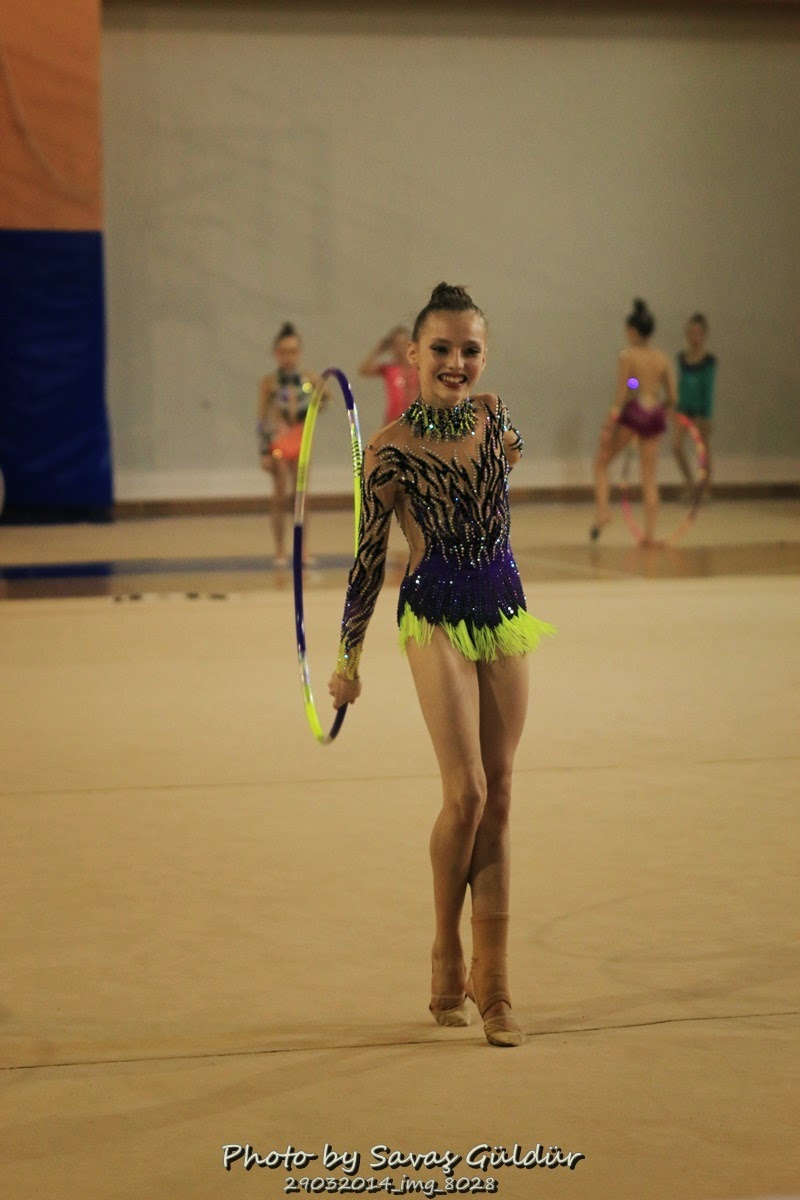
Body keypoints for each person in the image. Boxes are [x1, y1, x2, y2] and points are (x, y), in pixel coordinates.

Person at [328, 283, 554, 1048]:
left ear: (484, 356)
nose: (456, 362)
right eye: (442, 349)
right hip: (434, 613)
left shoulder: (495, 418)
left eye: (470, 350)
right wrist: (347, 660)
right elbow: (367, 562)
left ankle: (495, 982)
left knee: (502, 794)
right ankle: (445, 948)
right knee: (467, 794)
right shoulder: (389, 450)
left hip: (504, 607)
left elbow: (510, 461)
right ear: (413, 354)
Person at [591, 298, 677, 547]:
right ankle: (650, 534)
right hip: (655, 412)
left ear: (631, 331)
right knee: (649, 476)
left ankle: (603, 512)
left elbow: (621, 395)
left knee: (601, 462)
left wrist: (609, 425)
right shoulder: (662, 358)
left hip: (635, 411)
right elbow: (672, 397)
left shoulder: (627, 356)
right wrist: (660, 410)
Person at [257, 322, 326, 565]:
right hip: (279, 440)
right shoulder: (270, 382)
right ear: (276, 353)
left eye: (293, 351)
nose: (289, 357)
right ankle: (279, 548)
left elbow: (324, 403)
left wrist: (319, 390)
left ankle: (302, 549)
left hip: (300, 440)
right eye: (284, 352)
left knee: (301, 496)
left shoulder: (307, 379)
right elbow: (262, 418)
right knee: (279, 496)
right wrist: (264, 452)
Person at [673, 313, 716, 492]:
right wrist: (676, 407)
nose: (694, 337)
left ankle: (705, 488)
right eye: (691, 332)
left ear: (704, 334)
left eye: (698, 333)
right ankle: (689, 482)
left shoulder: (708, 361)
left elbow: (708, 388)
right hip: (684, 409)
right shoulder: (682, 358)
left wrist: (706, 415)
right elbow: (680, 385)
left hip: (700, 411)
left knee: (703, 451)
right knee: (676, 446)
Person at [358, 326, 419, 423]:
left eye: (404, 344)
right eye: (397, 345)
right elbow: (364, 370)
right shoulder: (390, 369)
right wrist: (378, 350)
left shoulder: (419, 368)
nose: (401, 349)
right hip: (392, 420)